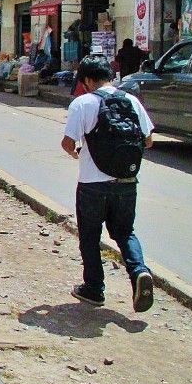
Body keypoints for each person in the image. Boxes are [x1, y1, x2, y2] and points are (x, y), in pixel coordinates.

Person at [61, 55, 155, 313]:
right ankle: (139, 272)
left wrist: (77, 154)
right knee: (125, 232)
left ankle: (94, 289)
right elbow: (148, 141)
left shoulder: (83, 103)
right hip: (127, 181)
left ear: (88, 80)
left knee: (90, 237)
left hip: (92, 184)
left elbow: (67, 144)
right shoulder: (131, 101)